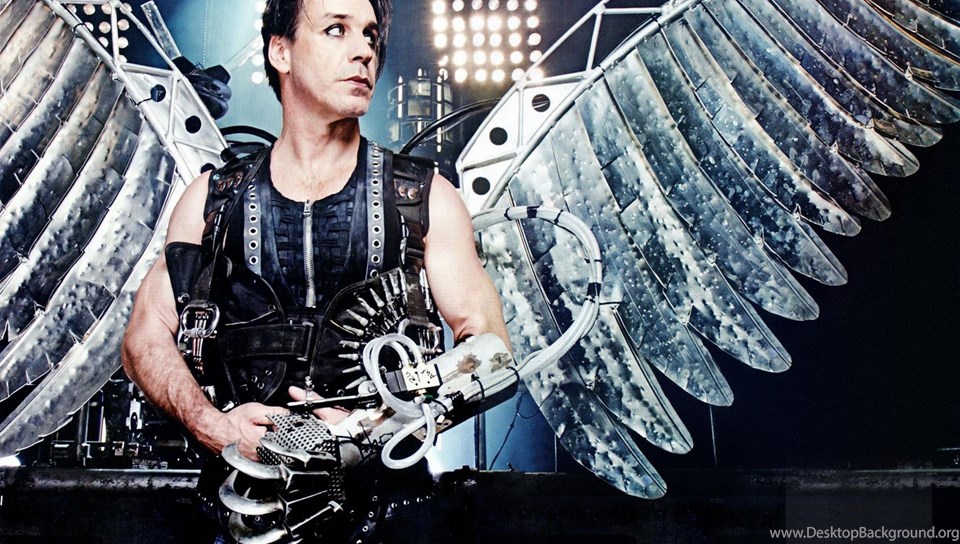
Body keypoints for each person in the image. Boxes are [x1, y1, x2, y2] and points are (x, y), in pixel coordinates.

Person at [121, 0, 510, 539]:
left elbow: (491, 353)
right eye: (336, 30)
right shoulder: (212, 200)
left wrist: (370, 430)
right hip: (240, 516)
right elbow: (142, 339)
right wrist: (214, 427)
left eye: (370, 35)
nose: (363, 51)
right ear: (280, 51)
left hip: (388, 518)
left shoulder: (424, 198)